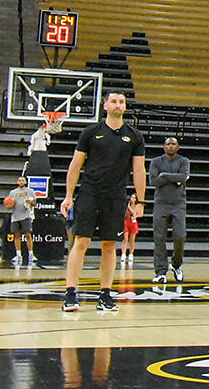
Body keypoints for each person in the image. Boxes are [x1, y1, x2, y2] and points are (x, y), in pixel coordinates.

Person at [60, 91, 148, 314]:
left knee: (110, 245)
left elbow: (139, 169)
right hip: (90, 192)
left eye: (122, 102)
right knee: (81, 241)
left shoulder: (134, 136)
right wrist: (69, 195)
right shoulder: (91, 132)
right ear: (105, 105)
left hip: (116, 195)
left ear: (125, 107)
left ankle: (106, 294)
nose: (118, 105)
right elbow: (75, 164)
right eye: (114, 101)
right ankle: (70, 293)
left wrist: (141, 200)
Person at [147, 137, 191, 284]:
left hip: (179, 204)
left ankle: (176, 265)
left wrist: (164, 175)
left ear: (178, 147)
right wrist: (174, 178)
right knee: (159, 238)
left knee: (180, 236)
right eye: (168, 144)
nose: (171, 146)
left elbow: (183, 176)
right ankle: (160, 272)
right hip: (161, 203)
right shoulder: (155, 161)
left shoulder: (184, 161)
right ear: (163, 147)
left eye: (173, 144)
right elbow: (153, 181)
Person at [5, 177, 36, 266]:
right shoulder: (13, 192)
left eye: (23, 180)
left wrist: (30, 202)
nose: (21, 182)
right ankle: (18, 255)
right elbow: (8, 206)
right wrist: (8, 205)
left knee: (28, 235)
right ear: (17, 182)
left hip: (26, 216)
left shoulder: (30, 191)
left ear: (25, 182)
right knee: (16, 236)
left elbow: (34, 203)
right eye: (19, 180)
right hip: (15, 217)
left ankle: (31, 254)